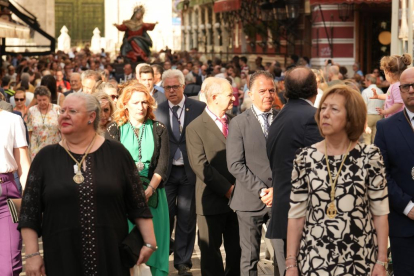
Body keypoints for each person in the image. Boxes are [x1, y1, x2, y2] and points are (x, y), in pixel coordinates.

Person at [19, 92, 157, 276]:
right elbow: (29, 212)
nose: (64, 115)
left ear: (92, 117)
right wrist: (32, 255)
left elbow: (138, 203)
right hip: (61, 258)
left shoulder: (117, 154)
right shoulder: (45, 158)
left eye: (72, 111)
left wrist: (149, 242)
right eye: (62, 110)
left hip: (111, 257)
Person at [286, 85, 389, 276]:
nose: (324, 114)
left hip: (359, 260)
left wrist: (381, 261)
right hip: (315, 259)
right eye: (323, 108)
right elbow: (296, 214)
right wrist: (291, 264)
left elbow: (380, 212)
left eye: (334, 109)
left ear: (351, 117)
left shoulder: (370, 156)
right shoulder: (305, 157)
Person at [106, 84, 170, 276]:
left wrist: (150, 189)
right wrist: (130, 190)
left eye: (144, 102)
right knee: (129, 248)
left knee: (156, 247)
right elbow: (112, 165)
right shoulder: (113, 129)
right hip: (124, 195)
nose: (141, 106)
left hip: (154, 195)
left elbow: (162, 164)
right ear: (125, 104)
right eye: (136, 102)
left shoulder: (159, 128)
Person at [266, 67, 323, 276]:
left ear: (286, 90)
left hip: (285, 211)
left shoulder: (280, 117)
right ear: (315, 90)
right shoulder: (312, 118)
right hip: (305, 217)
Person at [186, 77, 241, 276]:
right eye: (229, 94)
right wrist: (228, 190)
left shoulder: (236, 122)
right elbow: (200, 166)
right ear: (215, 97)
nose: (234, 98)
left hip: (238, 201)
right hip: (210, 201)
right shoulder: (195, 127)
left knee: (237, 252)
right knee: (210, 255)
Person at [154, 69, 206, 276]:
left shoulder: (199, 108)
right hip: (165, 173)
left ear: (184, 87)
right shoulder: (157, 111)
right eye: (168, 87)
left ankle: (183, 263)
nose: (172, 90)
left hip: (189, 170)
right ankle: (163, 255)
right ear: (163, 89)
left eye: (176, 86)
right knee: (166, 216)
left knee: (187, 217)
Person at [226, 71, 277, 276]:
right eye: (263, 91)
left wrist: (277, 189)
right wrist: (262, 190)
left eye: (272, 90)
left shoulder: (283, 120)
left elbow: (291, 161)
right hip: (249, 201)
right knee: (249, 258)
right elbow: (235, 164)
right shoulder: (238, 122)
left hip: (280, 199)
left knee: (284, 256)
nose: (268, 95)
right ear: (250, 93)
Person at [375, 67, 414, 275]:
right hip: (403, 222)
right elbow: (381, 174)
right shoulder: (385, 128)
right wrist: (407, 207)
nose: (411, 90)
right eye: (406, 86)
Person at [0, 108, 30, 276]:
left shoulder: (12, 120)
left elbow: (23, 165)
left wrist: (31, 197)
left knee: (9, 267)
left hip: (5, 197)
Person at [370, 54, 412, 118]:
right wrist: (378, 96)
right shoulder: (394, 85)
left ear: (389, 73)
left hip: (395, 119)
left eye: (385, 74)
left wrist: (386, 111)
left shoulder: (396, 86)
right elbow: (389, 96)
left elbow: (399, 104)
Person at [27, 86, 61, 160]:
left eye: (44, 100)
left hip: (54, 146)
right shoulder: (31, 110)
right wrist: (31, 147)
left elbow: (62, 129)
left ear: (49, 98)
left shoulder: (57, 109)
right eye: (39, 100)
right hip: (36, 148)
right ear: (36, 99)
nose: (42, 102)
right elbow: (30, 131)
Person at [361, 74, 384, 144]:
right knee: (376, 138)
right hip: (378, 116)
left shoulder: (365, 91)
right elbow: (384, 105)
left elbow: (364, 106)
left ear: (369, 81)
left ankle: (367, 153)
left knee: (367, 138)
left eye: (365, 80)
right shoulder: (380, 91)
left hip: (368, 116)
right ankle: (375, 153)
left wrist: (364, 120)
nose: (364, 82)